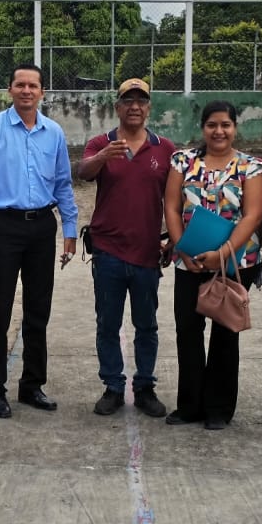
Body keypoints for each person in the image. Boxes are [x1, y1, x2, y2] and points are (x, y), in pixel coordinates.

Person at [0, 64, 79, 419]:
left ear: (42, 92)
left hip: (42, 226)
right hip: (3, 227)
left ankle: (32, 385)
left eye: (33, 85)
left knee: (38, 310)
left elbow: (63, 183)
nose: (27, 91)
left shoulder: (53, 132)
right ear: (10, 90)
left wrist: (70, 228)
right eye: (20, 85)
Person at [163, 100, 262, 431]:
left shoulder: (251, 167)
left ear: (235, 128)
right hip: (189, 261)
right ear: (203, 128)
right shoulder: (182, 161)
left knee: (225, 334)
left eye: (225, 125)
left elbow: (253, 215)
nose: (219, 131)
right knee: (187, 332)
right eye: (212, 125)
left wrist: (222, 253)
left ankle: (218, 408)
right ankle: (190, 405)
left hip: (234, 262)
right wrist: (182, 247)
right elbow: (171, 205)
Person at [77, 78, 176, 418]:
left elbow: (176, 198)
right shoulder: (100, 143)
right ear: (117, 107)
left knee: (146, 325)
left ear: (149, 107)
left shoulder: (165, 149)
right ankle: (113, 386)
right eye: (128, 101)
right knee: (108, 323)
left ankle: (145, 386)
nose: (135, 106)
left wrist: (174, 238)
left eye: (141, 101)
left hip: (147, 253)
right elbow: (83, 172)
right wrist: (103, 157)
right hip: (107, 251)